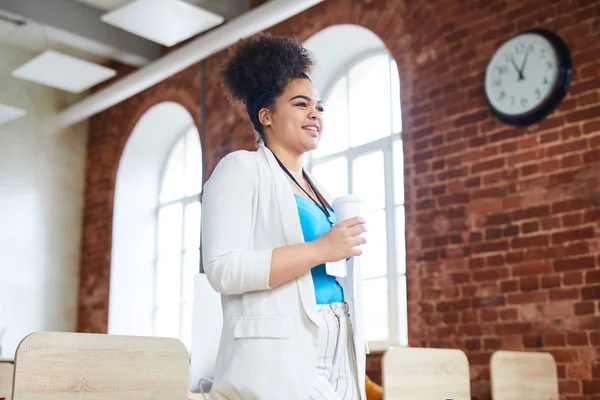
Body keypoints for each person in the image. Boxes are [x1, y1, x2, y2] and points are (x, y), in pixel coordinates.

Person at [201, 33, 368, 400]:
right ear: (266, 116)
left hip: (340, 348)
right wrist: (322, 248)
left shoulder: (318, 189)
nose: (315, 114)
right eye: (300, 104)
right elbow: (222, 269)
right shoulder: (241, 169)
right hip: (282, 352)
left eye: (319, 107)